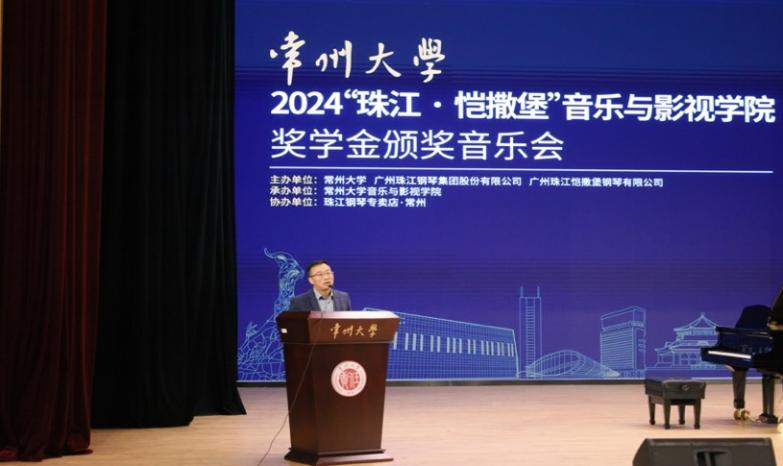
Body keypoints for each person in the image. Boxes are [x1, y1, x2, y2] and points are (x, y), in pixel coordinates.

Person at [287, 260, 352, 311]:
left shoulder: (344, 297)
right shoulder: (298, 302)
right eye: (320, 274)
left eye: (328, 273)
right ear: (311, 280)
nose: (326, 277)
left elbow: (349, 322)